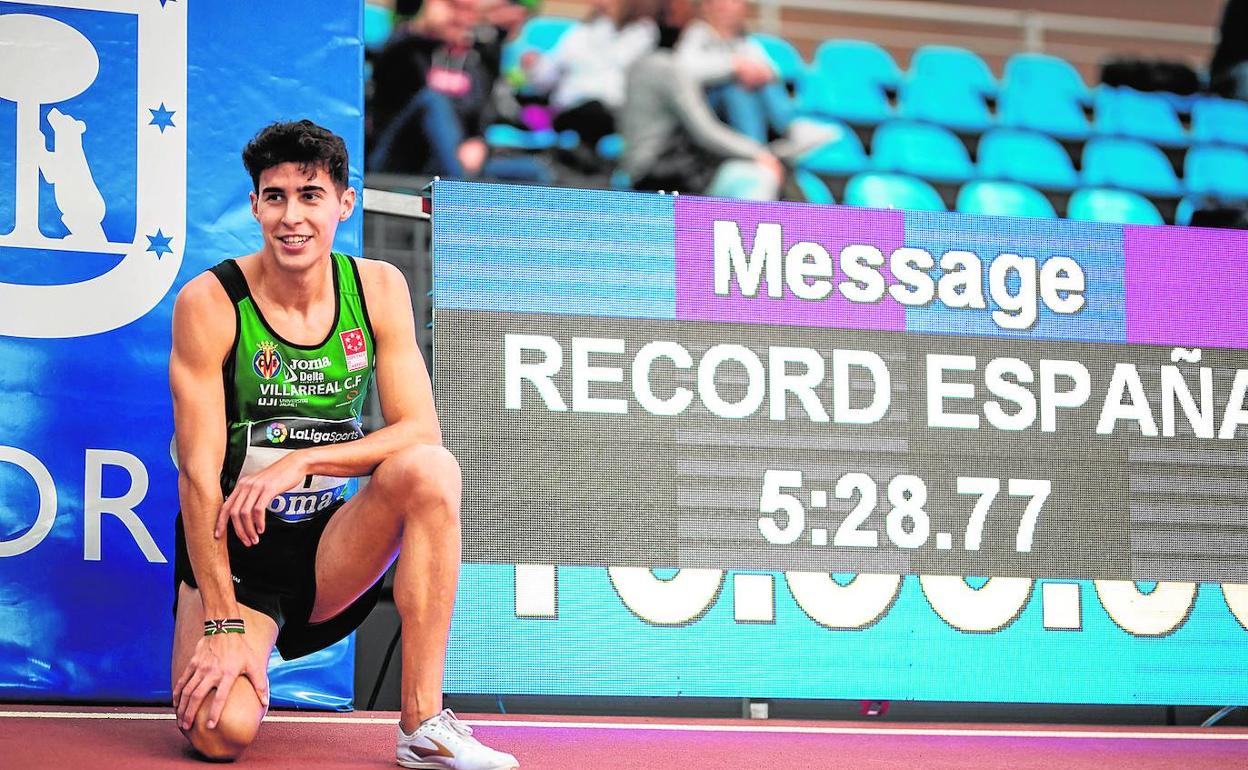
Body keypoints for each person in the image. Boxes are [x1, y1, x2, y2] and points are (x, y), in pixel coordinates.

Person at [169, 119, 519, 770]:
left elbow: (420, 431)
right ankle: (242, 642)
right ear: (254, 205)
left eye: (310, 195)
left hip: (332, 550)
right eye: (275, 197)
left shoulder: (378, 288)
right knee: (220, 733)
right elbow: (194, 475)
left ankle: (422, 726)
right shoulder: (212, 302)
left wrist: (303, 459)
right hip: (234, 554)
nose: (292, 216)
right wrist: (219, 625)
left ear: (343, 204)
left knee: (431, 469)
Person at [368, 0, 548, 182]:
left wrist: (480, 145)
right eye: (454, 7)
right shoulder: (407, 49)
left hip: (451, 161)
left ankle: (460, 186)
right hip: (397, 157)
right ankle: (458, 192)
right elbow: (392, 59)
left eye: (469, 12)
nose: (461, 18)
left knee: (534, 171)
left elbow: (482, 118)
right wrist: (425, 28)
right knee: (433, 100)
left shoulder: (476, 62)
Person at [522, 0, 659, 159]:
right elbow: (545, 78)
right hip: (570, 112)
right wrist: (535, 65)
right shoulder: (578, 32)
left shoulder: (643, 33)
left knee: (595, 110)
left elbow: (622, 70)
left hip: (614, 116)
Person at [674, 0, 792, 143]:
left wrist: (762, 73)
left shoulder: (744, 40)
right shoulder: (697, 33)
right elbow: (683, 70)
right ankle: (755, 150)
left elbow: (773, 70)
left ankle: (791, 131)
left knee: (767, 83)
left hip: (749, 101)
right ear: (708, 7)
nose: (732, 8)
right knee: (736, 89)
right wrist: (734, 66)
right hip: (707, 107)